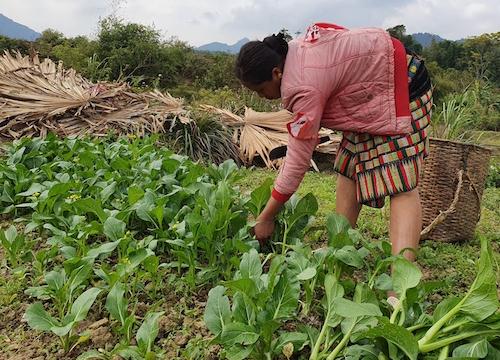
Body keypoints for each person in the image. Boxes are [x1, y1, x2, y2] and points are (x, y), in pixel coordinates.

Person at [235, 22, 432, 261]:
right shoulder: (293, 53)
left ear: (276, 73)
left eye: (260, 90)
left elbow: (297, 161)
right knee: (349, 166)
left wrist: (266, 217)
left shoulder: (303, 86)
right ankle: (339, 251)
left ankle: (400, 287)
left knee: (400, 181)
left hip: (403, 83)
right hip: (370, 89)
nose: (262, 97)